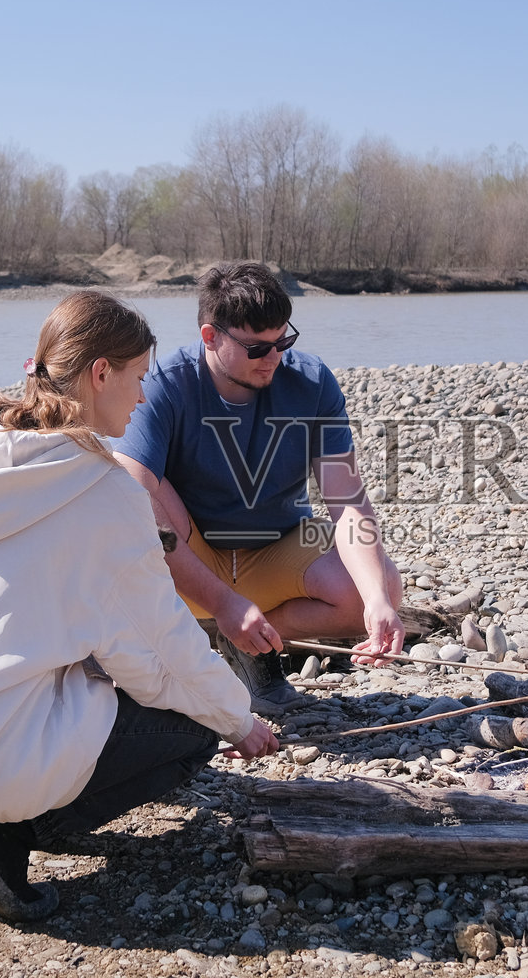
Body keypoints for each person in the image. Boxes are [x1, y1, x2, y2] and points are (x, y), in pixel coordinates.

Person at [0, 291, 277, 923]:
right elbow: (161, 652)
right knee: (192, 720)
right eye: (139, 378)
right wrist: (238, 720)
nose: (144, 398)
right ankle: (3, 839)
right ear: (100, 373)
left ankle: (4, 795)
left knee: (97, 668)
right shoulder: (103, 492)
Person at [112, 262, 404, 717]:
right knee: (137, 485)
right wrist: (222, 601)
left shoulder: (310, 382)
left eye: (283, 342)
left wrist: (379, 602)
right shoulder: (166, 384)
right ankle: (194, 638)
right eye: (257, 348)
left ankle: (250, 646)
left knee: (380, 582)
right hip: (191, 554)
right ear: (211, 337)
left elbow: (346, 499)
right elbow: (131, 497)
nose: (274, 358)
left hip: (277, 548)